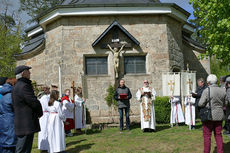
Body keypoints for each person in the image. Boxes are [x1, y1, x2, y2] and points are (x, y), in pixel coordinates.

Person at [12, 65, 43, 153]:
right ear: (23, 73)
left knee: (24, 148)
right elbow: (33, 102)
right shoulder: (23, 86)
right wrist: (39, 113)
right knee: (23, 149)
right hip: (25, 123)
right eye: (27, 71)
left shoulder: (18, 85)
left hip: (23, 122)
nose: (30, 73)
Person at [198, 74, 226, 153]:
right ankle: (220, 151)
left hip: (209, 116)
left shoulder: (207, 90)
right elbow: (225, 103)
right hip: (219, 115)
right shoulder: (222, 90)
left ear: (208, 82)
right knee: (218, 135)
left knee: (207, 136)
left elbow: (200, 103)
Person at [0, 78, 17, 153]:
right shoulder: (11, 96)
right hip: (10, 121)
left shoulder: (3, 95)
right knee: (9, 145)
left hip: (3, 120)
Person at [38, 86, 50, 152]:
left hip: (42, 115)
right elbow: (47, 106)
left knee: (42, 131)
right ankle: (45, 147)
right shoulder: (45, 97)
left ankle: (42, 146)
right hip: (45, 115)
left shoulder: (41, 97)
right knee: (45, 131)